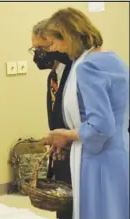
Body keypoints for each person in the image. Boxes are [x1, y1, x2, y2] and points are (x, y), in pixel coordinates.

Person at [42, 8, 129, 219]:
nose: (52, 49)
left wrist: (67, 135)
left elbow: (101, 125)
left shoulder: (87, 67)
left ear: (68, 36)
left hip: (98, 160)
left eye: (53, 43)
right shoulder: (113, 59)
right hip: (120, 152)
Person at [30, 19, 73, 219]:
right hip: (62, 154)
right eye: (34, 48)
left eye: (42, 47)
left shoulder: (76, 72)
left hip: (79, 151)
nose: (38, 54)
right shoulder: (52, 78)